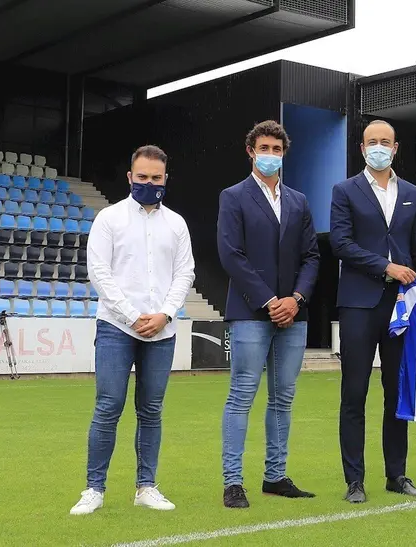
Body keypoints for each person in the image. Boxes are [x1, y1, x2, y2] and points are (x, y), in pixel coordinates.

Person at [71, 145, 195, 515]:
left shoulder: (176, 224)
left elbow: (184, 272)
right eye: (142, 177)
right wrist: (131, 315)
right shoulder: (109, 219)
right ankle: (94, 489)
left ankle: (146, 486)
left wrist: (166, 314)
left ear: (165, 179)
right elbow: (99, 272)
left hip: (162, 331)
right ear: (130, 177)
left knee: (151, 410)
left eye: (156, 178)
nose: (149, 183)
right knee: (108, 407)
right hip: (115, 327)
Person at [330, 120, 416, 504]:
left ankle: (397, 475)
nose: (379, 147)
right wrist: (385, 266)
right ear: (362, 148)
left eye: (386, 142)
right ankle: (355, 480)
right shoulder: (344, 190)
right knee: (354, 393)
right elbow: (341, 244)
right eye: (372, 142)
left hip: (403, 308)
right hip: (359, 304)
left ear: (396, 148)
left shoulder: (412, 192)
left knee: (397, 394)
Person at [216, 120, 320, 509]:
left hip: (294, 314)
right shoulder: (233, 196)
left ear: (284, 153)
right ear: (250, 150)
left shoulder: (299, 200)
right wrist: (268, 301)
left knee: (283, 398)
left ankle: (275, 476)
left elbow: (311, 256)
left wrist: (295, 299)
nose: (271, 155)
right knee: (242, 395)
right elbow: (231, 255)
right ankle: (233, 482)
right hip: (249, 312)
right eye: (265, 148)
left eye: (277, 149)